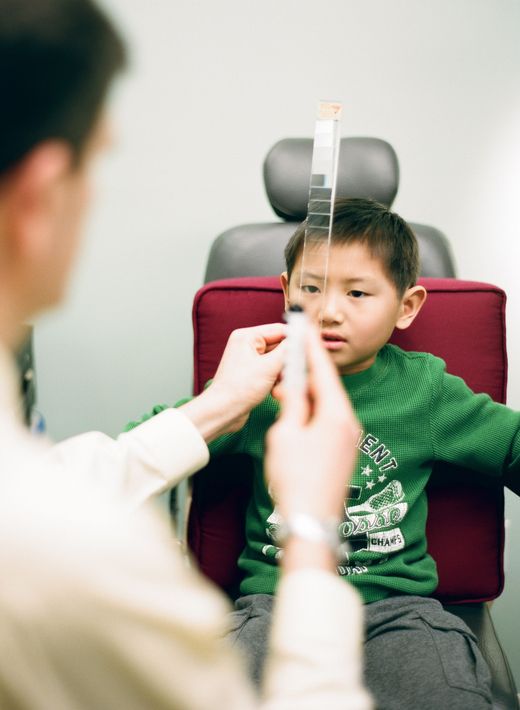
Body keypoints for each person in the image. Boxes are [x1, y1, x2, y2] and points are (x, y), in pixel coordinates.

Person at [0, 1, 373, 708]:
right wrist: (313, 531)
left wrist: (216, 407)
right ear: (42, 197)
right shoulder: (81, 560)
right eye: (97, 165)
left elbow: (55, 484)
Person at [131, 197, 520, 709]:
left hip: (398, 612)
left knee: (447, 694)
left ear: (407, 307)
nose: (328, 309)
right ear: (286, 291)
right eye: (310, 288)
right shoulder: (258, 384)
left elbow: (510, 444)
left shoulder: (425, 390)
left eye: (357, 292)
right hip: (274, 604)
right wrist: (219, 402)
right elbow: (157, 441)